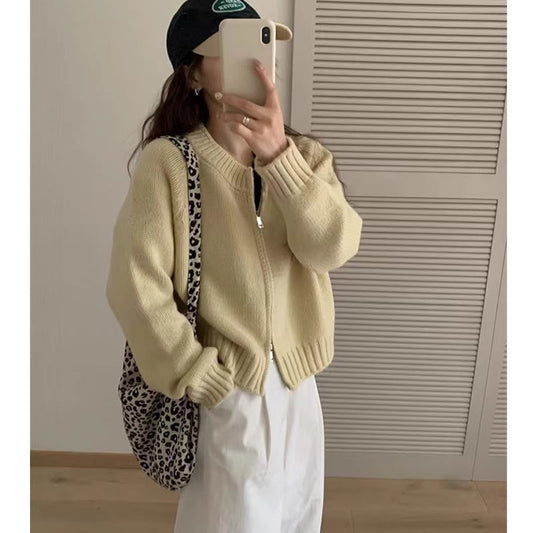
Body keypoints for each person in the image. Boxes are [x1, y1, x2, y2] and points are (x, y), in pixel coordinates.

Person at [105, 1, 363, 532]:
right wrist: (188, 366)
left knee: (298, 518)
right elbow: (135, 283)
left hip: (300, 386)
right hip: (228, 390)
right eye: (234, 49)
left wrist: (279, 159)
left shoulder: (305, 158)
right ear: (193, 74)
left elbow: (333, 248)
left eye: (263, 43)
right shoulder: (168, 165)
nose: (259, 63)